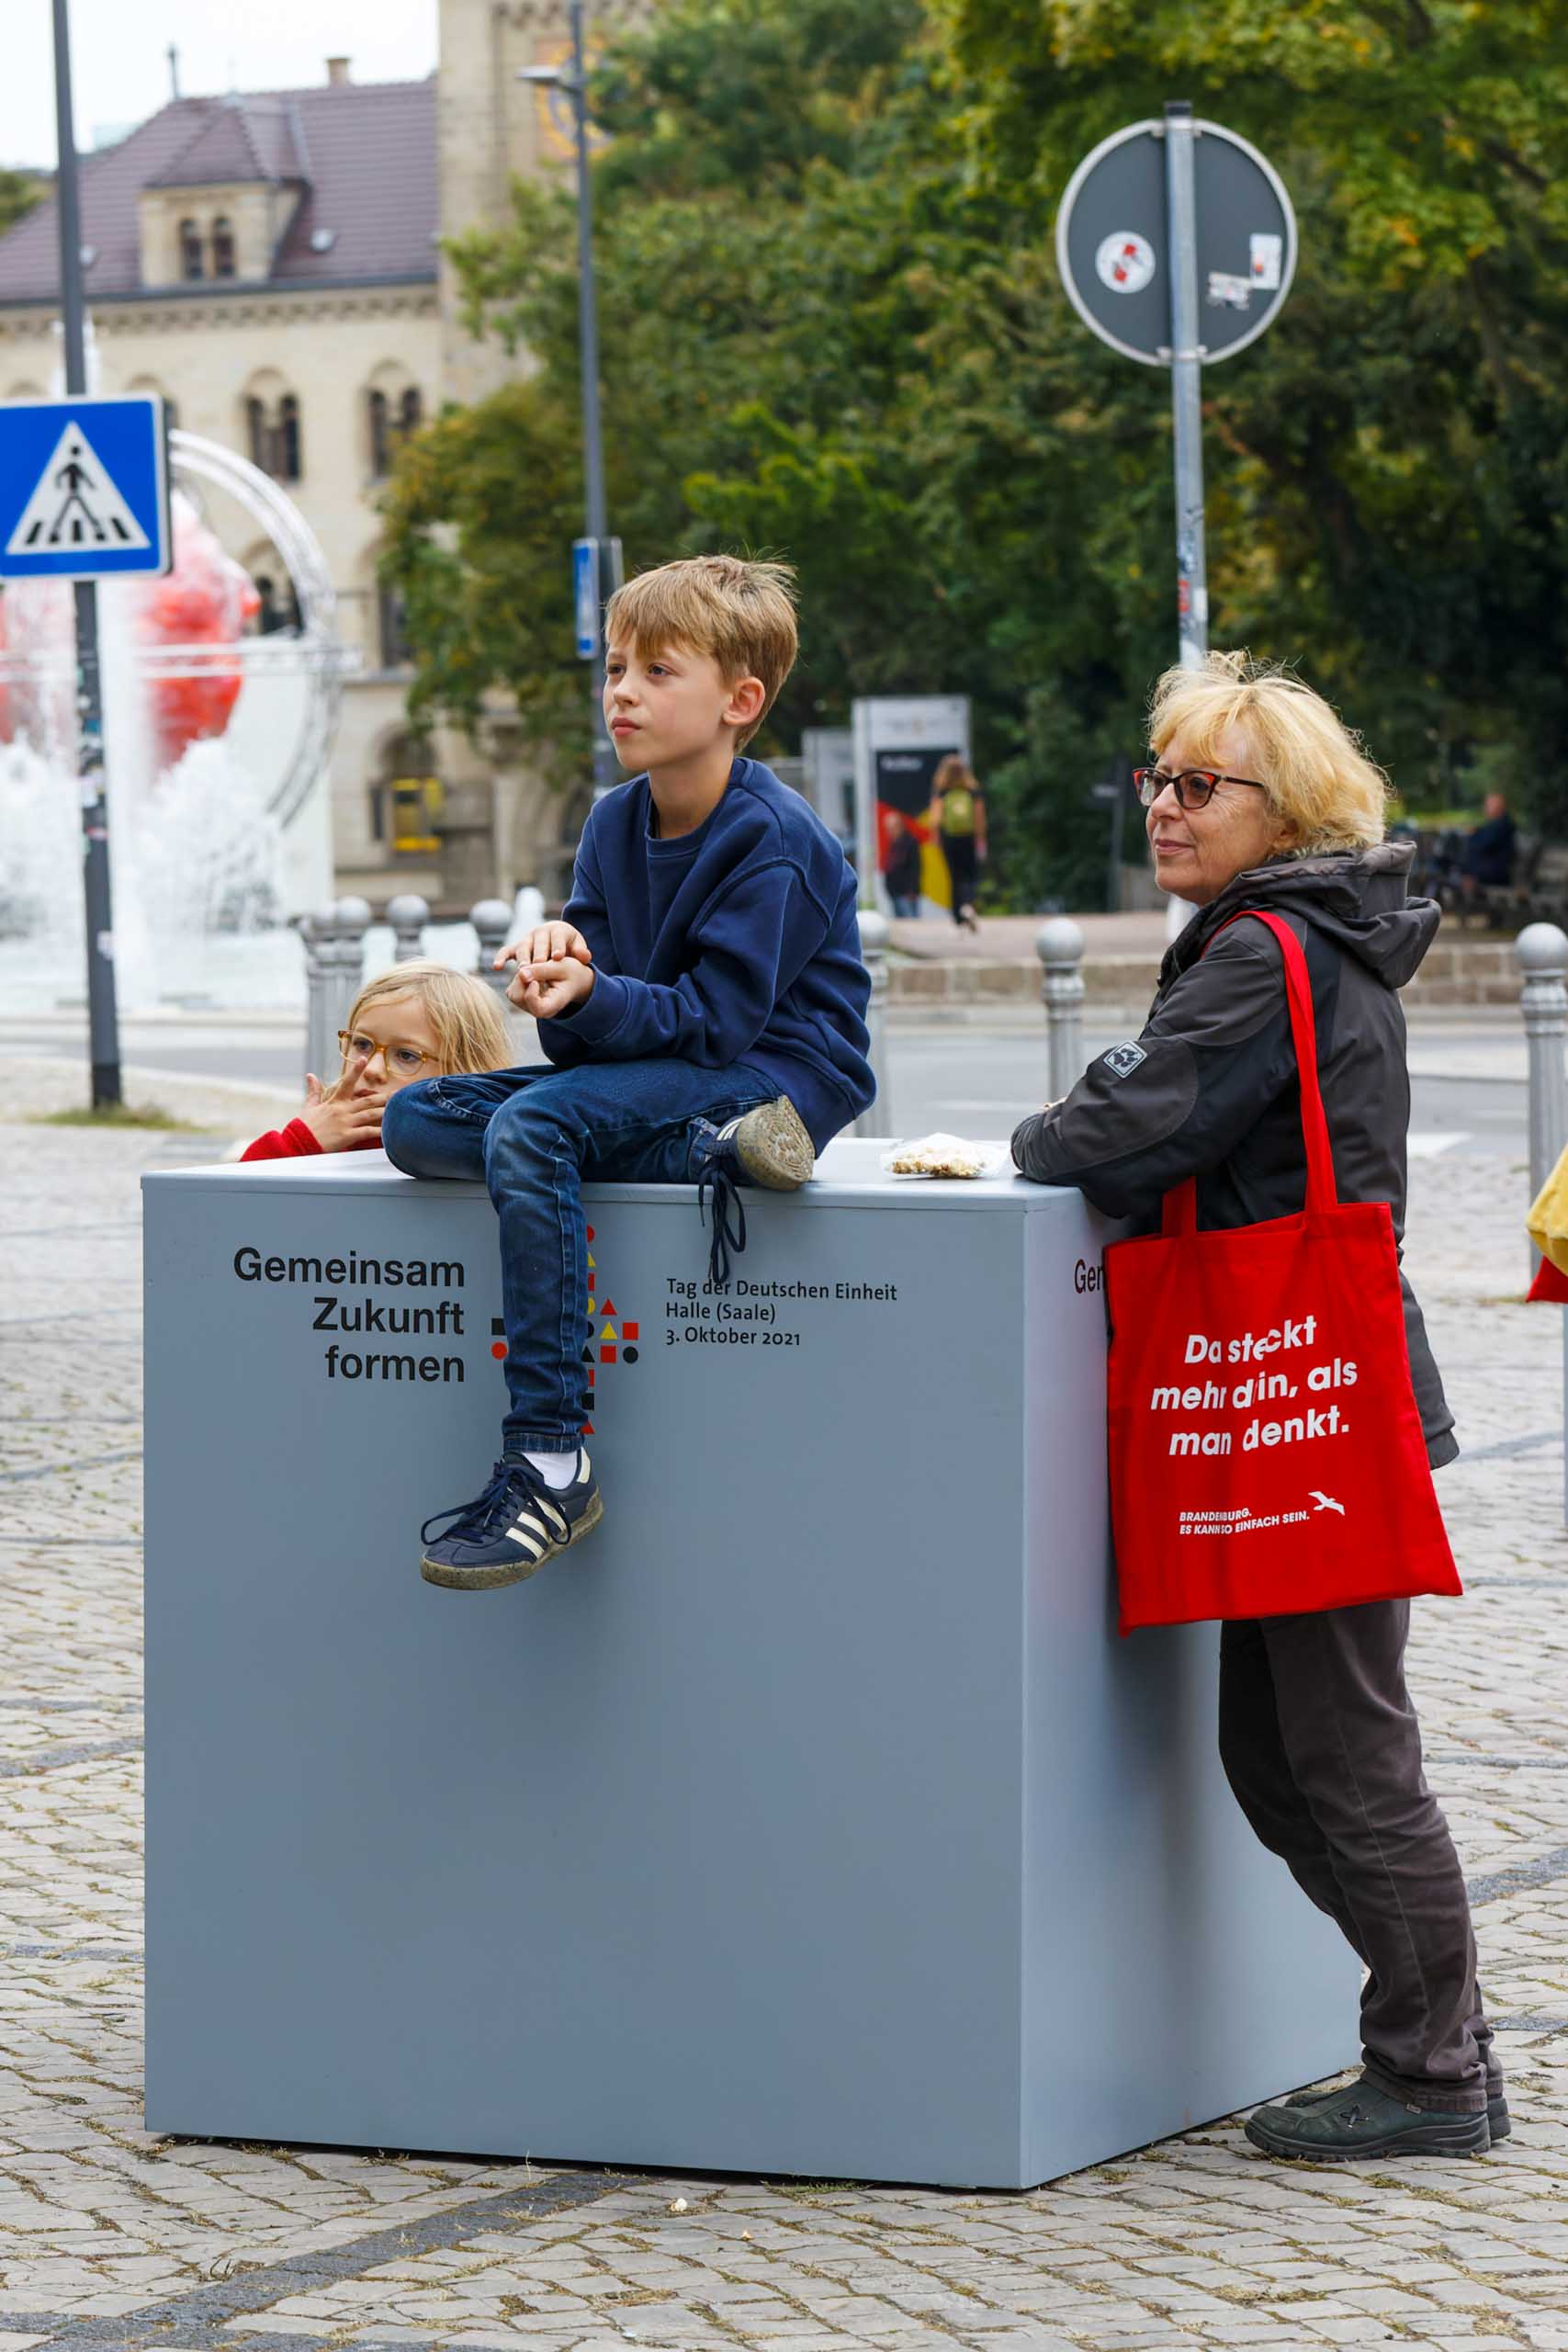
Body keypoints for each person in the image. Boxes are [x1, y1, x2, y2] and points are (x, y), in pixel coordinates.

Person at [1011, 650, 1503, 2163]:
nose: (1162, 806)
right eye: (1153, 778)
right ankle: (1432, 2041)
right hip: (1309, 1392)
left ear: (1279, 814)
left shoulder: (1259, 950)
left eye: (1196, 784)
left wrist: (1034, 1131)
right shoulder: (1305, 937)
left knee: (1342, 1758)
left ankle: (1432, 2072)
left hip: (1306, 1398)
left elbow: (1118, 1131)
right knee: (1276, 1759)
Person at [382, 554, 874, 1592]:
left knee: (532, 1130)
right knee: (417, 1119)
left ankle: (551, 1463)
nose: (622, 693)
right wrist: (560, 984)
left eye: (657, 670)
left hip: (773, 1069)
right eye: (614, 669)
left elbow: (716, 1023)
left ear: (740, 702)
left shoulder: (775, 838)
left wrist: (596, 998)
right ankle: (707, 1152)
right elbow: (587, 1044)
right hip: (670, 1072)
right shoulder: (613, 821)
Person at [242, 962, 509, 1161]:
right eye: (362, 1044)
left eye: (406, 1055)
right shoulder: (327, 1137)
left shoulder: (488, 1147)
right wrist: (301, 1142)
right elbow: (235, 1201)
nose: (371, 1069)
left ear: (465, 1071)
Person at [928, 754, 986, 930]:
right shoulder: (972, 791)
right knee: (971, 874)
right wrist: (980, 839)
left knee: (954, 876)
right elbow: (979, 818)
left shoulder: (941, 791)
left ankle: (958, 917)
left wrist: (936, 837)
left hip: (949, 838)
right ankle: (968, 904)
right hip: (968, 837)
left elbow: (935, 819)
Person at [1460, 791, 1517, 905]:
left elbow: (1483, 845)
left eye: (1488, 805)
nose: (1485, 808)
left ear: (1499, 808)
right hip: (1491, 870)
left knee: (1457, 868)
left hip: (1495, 873)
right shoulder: (1500, 824)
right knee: (1460, 867)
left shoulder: (1501, 826)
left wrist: (1473, 835)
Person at [884, 811, 922, 918]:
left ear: (899, 826)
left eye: (891, 828)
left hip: (907, 893)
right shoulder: (894, 844)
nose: (889, 832)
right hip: (895, 892)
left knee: (910, 922)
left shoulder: (910, 843)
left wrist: (912, 890)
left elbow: (916, 868)